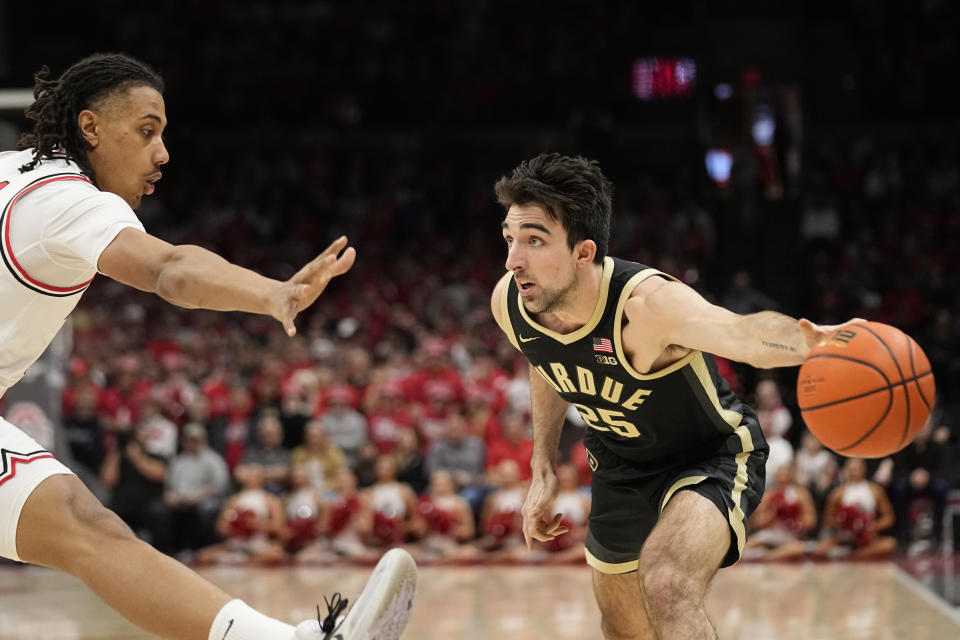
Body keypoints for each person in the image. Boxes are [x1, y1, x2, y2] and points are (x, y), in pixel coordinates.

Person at [0, 53, 416, 640]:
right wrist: (274, 292)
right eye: (147, 132)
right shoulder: (67, 199)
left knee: (84, 526)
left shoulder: (12, 170)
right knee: (85, 528)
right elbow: (170, 269)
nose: (163, 154)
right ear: (90, 127)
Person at [489, 153, 858, 639]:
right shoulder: (513, 303)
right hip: (620, 465)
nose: (514, 258)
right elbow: (547, 362)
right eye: (510, 239)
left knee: (665, 581)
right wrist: (542, 466)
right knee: (623, 628)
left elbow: (740, 335)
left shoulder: (647, 306)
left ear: (583, 252)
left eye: (534, 241)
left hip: (708, 455)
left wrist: (809, 343)